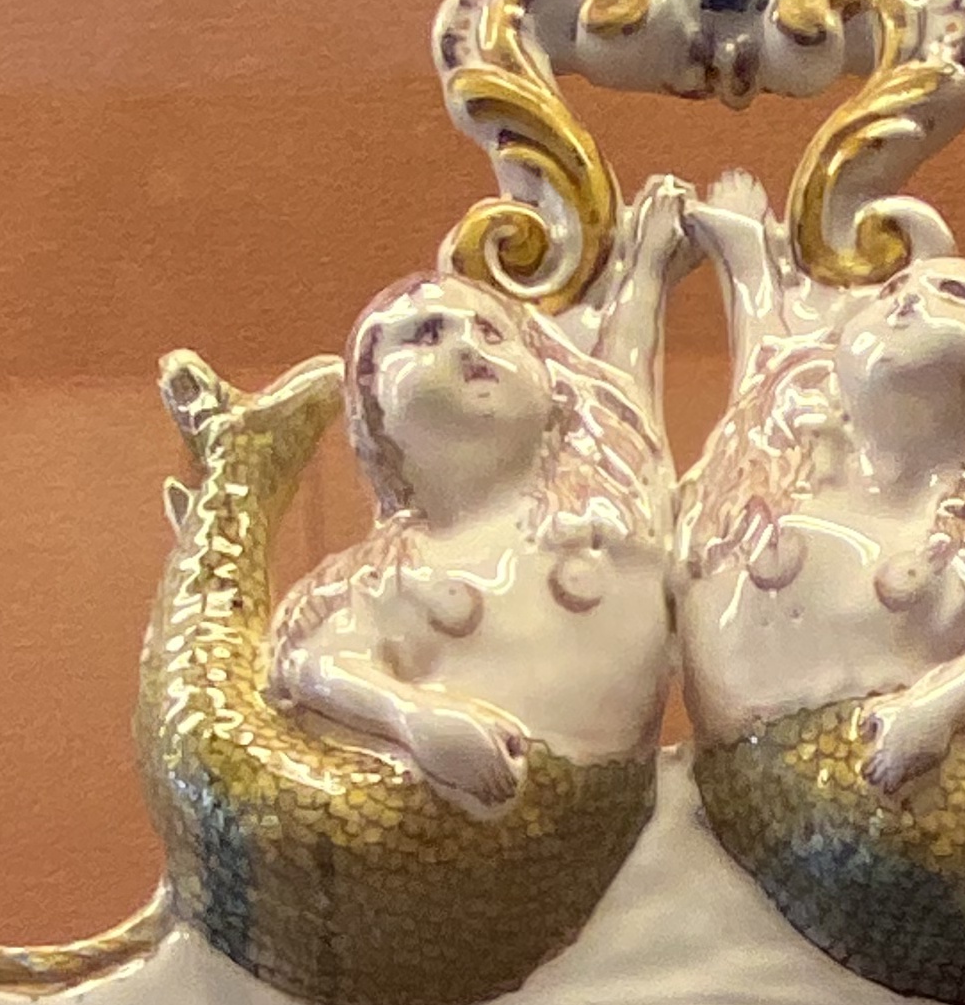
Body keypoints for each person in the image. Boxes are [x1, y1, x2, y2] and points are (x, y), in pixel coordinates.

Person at [265, 175, 691, 814]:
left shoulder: (601, 501)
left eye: (492, 332)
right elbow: (311, 664)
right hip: (462, 839)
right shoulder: (384, 576)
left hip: (622, 820)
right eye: (426, 335)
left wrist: (648, 269)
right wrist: (414, 718)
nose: (467, 346)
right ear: (373, 403)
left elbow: (622, 387)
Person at [677, 169, 965, 795]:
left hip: (880, 797)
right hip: (733, 791)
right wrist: (747, 264)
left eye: (955, 295)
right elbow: (766, 374)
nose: (908, 301)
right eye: (891, 294)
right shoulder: (771, 491)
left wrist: (936, 709)